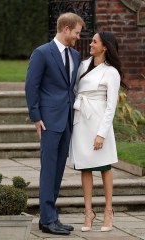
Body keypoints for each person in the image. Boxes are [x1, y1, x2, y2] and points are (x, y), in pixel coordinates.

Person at [25, 12, 85, 235]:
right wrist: (36, 117)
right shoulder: (42, 53)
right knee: (49, 169)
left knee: (59, 169)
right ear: (66, 29)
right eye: (77, 33)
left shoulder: (76, 56)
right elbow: (32, 86)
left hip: (67, 119)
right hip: (48, 121)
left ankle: (51, 217)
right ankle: (47, 219)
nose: (78, 37)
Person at [69, 31, 127, 232]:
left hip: (98, 120)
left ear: (105, 47)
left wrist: (101, 133)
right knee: (85, 167)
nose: (91, 44)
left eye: (95, 41)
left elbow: (111, 106)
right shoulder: (83, 65)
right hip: (81, 121)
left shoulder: (111, 72)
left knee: (104, 167)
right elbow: (75, 90)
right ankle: (88, 212)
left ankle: (108, 211)